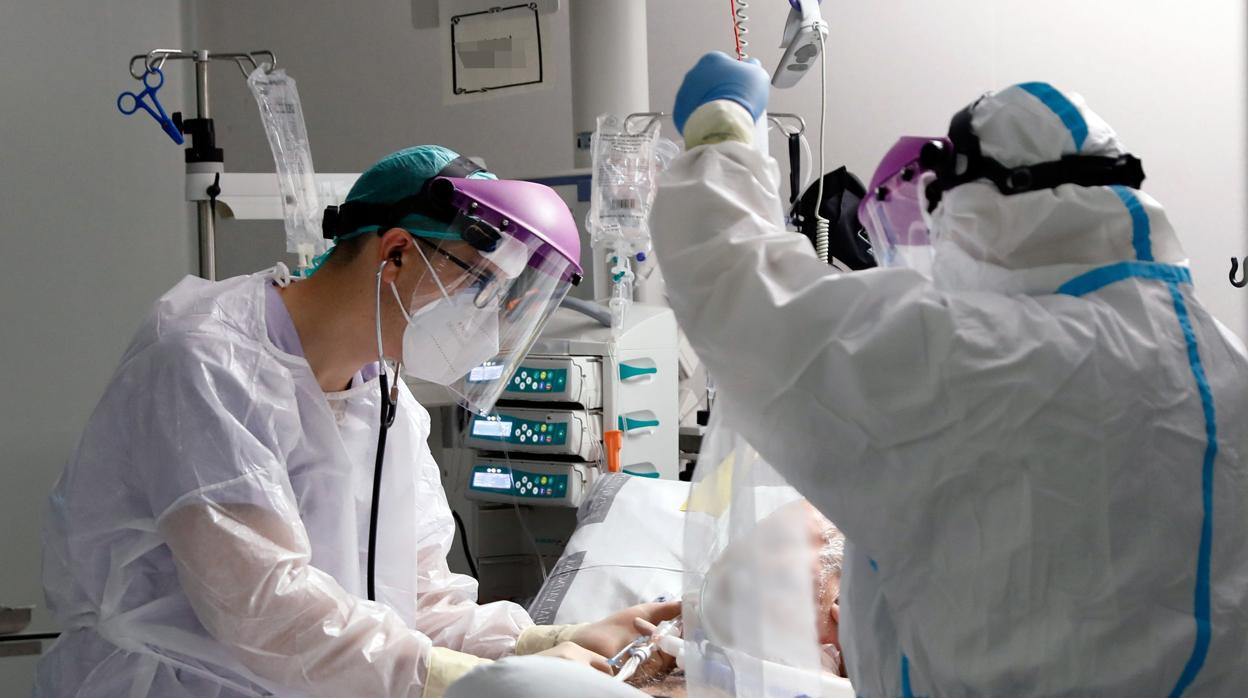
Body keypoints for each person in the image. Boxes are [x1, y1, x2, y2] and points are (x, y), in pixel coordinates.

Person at [651, 52, 1248, 696]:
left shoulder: (973, 355)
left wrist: (723, 129)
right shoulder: (1225, 358)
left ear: (982, 205)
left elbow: (737, 285)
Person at [36, 144, 676, 697]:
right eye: (478, 285)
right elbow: (265, 609)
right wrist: (486, 684)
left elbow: (417, 602)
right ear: (396, 252)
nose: (488, 317)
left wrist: (550, 642)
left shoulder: (386, 401)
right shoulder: (208, 362)